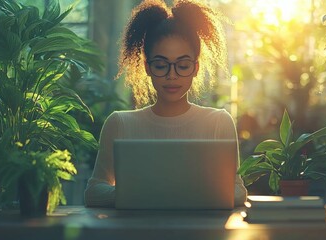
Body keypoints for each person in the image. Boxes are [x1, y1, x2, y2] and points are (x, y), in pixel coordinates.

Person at [84, 0, 247, 207]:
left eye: (183, 65)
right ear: (147, 67)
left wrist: (169, 193)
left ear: (195, 67)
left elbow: (238, 191)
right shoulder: (119, 123)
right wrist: (146, 194)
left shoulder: (218, 122)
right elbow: (94, 191)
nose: (172, 75)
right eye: (161, 65)